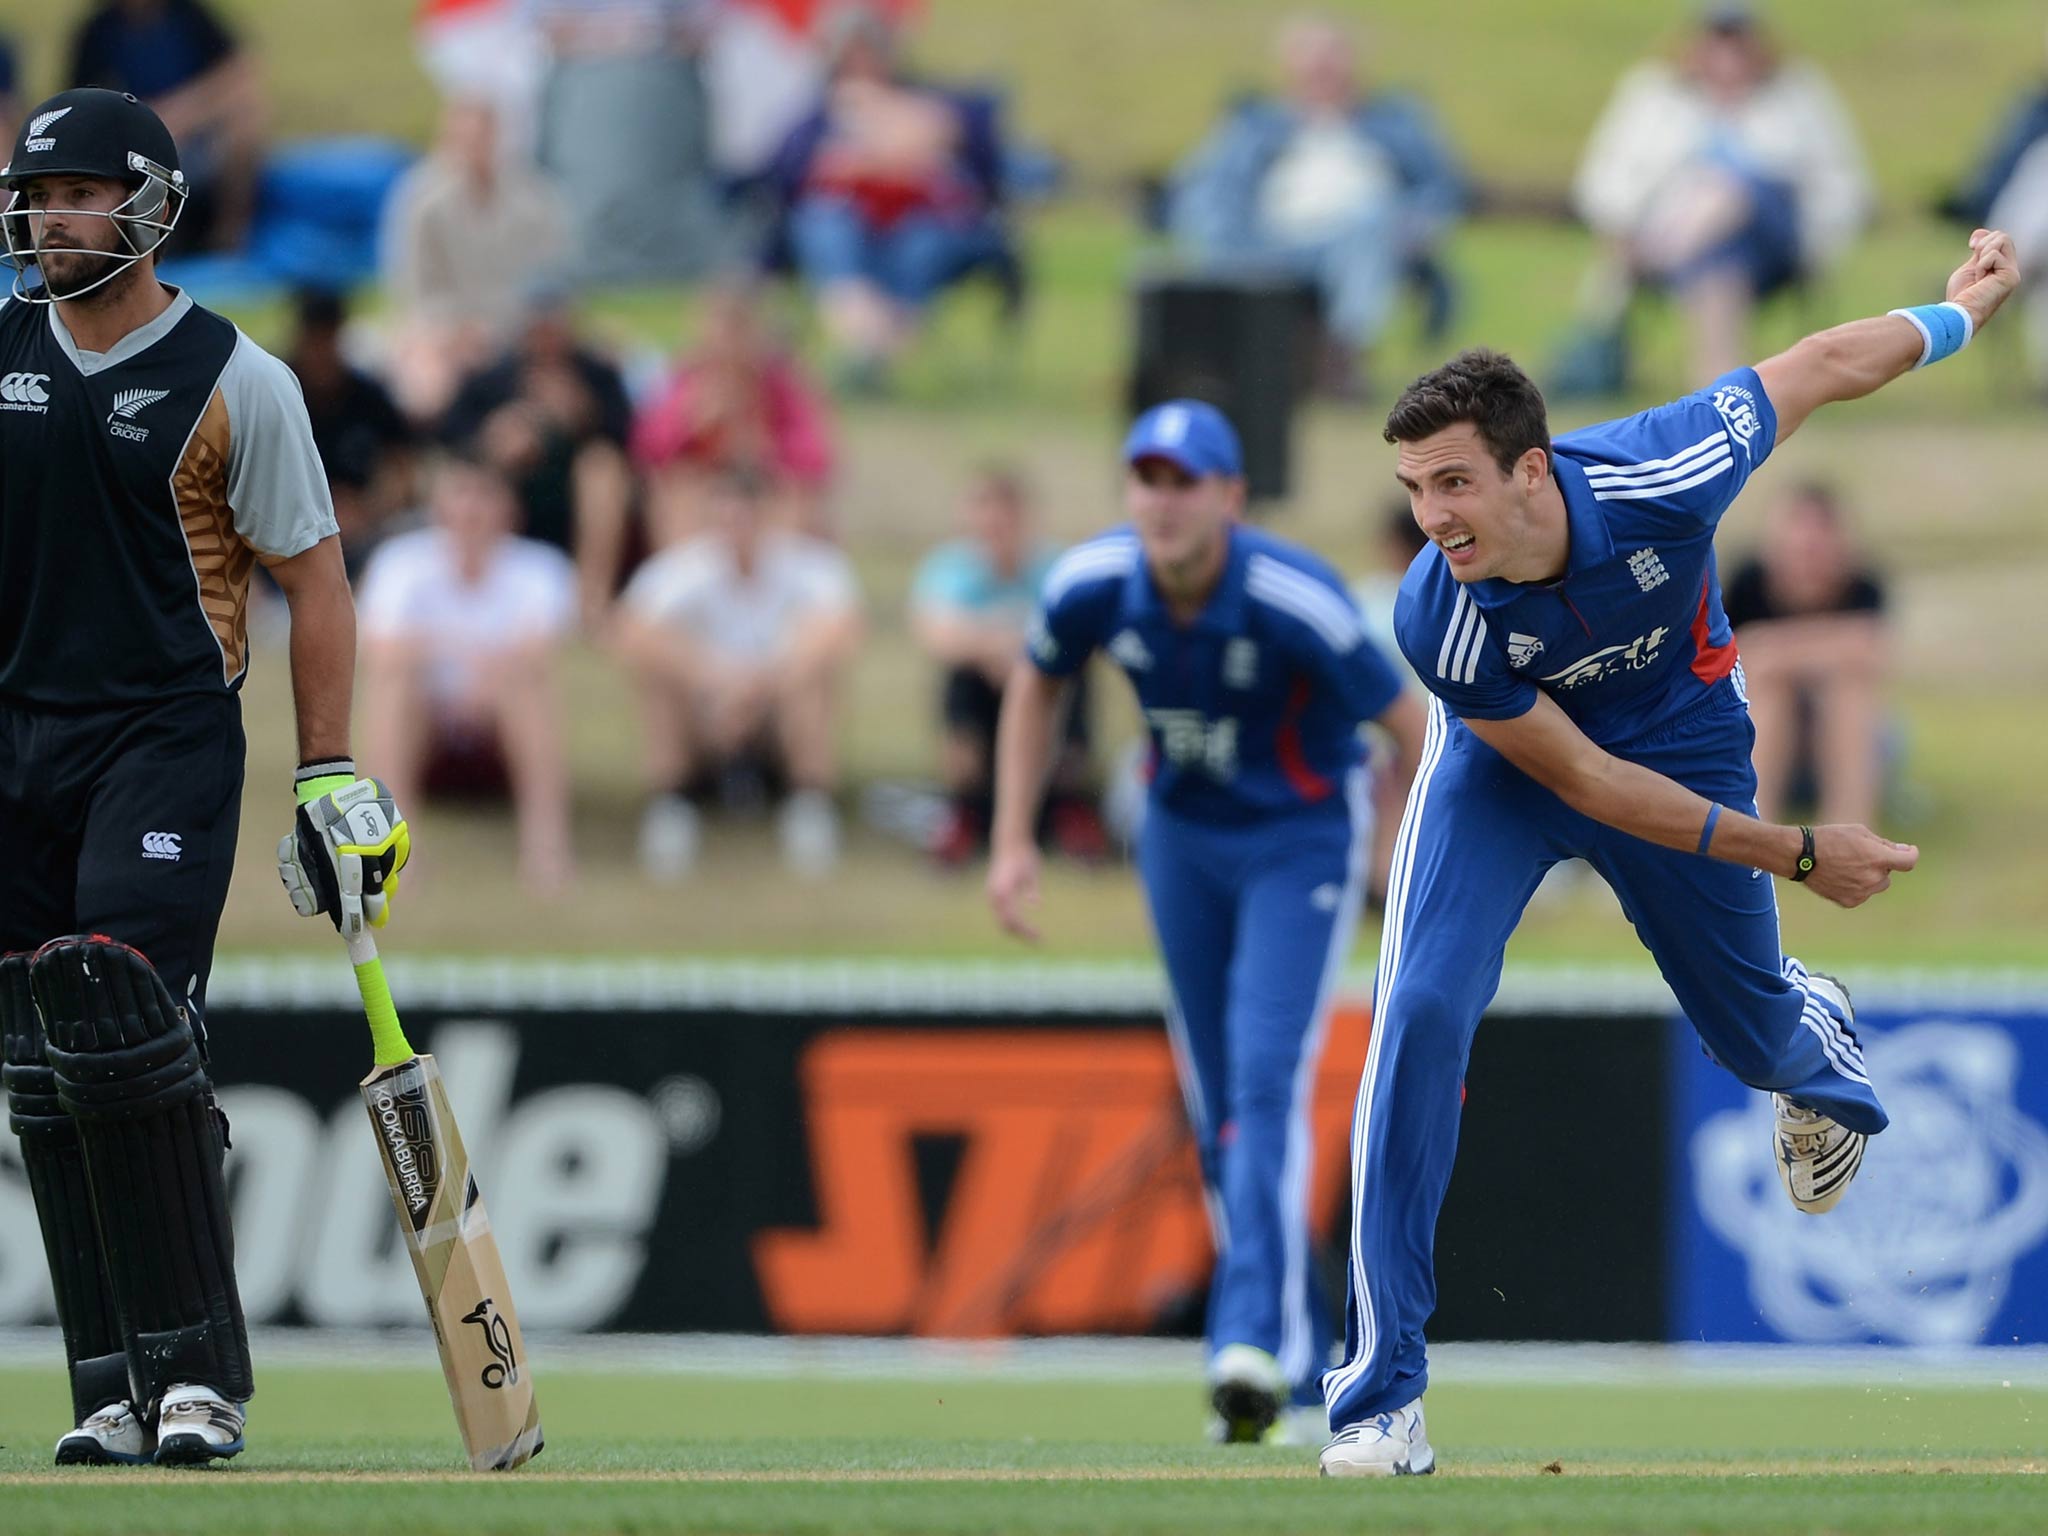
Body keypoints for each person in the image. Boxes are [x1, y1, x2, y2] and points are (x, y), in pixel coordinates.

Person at [1318, 228, 2020, 1478]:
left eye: (1452, 485)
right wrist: (1799, 854)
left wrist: (1954, 316)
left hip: (1686, 738)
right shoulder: (1436, 611)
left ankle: (1804, 1020)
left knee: (1754, 1039)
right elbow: (1584, 787)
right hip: (1511, 768)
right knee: (1415, 1013)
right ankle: (1379, 1400)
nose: (1429, 520)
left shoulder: (1665, 471)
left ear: (1530, 469)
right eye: (1413, 493)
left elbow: (1813, 364)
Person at [0, 88, 406, 1468]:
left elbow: (317, 581)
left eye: (80, 193)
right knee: (42, 1068)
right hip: (14, 741)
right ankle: (111, 1385)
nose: (51, 216)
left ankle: (199, 1379)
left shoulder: (238, 380)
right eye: (37, 194)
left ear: (151, 208)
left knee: (118, 1014)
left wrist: (330, 773)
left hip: (161, 736)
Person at [988, 401, 1427, 1445]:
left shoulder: (1292, 598)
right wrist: (1013, 839)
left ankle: (1245, 1344)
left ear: (1230, 497)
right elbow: (1034, 685)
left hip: (1298, 842)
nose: (1163, 500)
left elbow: (1410, 724)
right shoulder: (1092, 582)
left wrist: (1393, 855)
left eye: (1185, 481)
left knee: (1264, 1083)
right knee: (1215, 1097)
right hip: (1180, 841)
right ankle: (1299, 1361)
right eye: (1146, 479)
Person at [1565, 2, 1870, 388]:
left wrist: (1820, 243)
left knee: (1731, 190)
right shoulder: (1655, 95)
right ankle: (1722, 397)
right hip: (1696, 244)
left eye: (1738, 43)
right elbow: (1602, 181)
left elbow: (1843, 183)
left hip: (1775, 238)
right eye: (1716, 42)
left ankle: (1675, 242)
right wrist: (1626, 224)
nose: (1727, 56)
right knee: (1719, 261)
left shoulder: (1797, 94)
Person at [1167, 12, 1465, 395]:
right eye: (1312, 61)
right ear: (1290, 68)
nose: (1323, 72)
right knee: (1212, 232)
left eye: (1332, 60)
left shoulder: (1395, 122)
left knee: (1370, 221)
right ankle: (1212, 366)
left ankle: (1341, 360)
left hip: (1366, 240)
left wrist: (1417, 226)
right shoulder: (1255, 124)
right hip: (1268, 241)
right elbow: (1204, 187)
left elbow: (1441, 187)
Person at [612, 465, 863, 880]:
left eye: (747, 516)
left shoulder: (809, 565)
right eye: (726, 517)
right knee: (657, 670)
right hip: (707, 715)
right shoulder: (685, 568)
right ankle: (671, 802)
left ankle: (810, 801)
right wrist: (716, 676)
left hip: (779, 714)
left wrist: (762, 685)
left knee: (814, 669)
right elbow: (628, 631)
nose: (737, 528)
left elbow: (845, 629)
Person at [357, 452, 578, 896]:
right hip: (426, 727)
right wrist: (468, 659)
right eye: (461, 494)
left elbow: (537, 652)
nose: (472, 509)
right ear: (438, 505)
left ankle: (546, 848)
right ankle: (395, 850)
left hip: (500, 728)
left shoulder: (541, 568)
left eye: (485, 495)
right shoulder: (400, 562)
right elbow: (380, 648)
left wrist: (473, 672)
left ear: (509, 508)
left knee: (526, 688)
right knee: (392, 686)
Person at [771, 2, 1012, 389]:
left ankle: (870, 351)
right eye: (850, 54)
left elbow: (972, 157)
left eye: (867, 51)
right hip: (849, 230)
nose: (860, 62)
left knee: (921, 243)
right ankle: (870, 340)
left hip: (919, 224)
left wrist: (908, 139)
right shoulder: (818, 116)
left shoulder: (930, 103)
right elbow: (788, 174)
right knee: (826, 224)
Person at [909, 464, 1102, 866]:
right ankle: (964, 806)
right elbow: (936, 635)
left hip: (1046, 684)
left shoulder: (1055, 566)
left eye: (1004, 513)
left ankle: (1067, 803)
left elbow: (1086, 632)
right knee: (959, 677)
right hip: (982, 687)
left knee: (1072, 672)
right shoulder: (949, 568)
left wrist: (1019, 657)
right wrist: (1001, 648)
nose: (995, 525)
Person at [438, 287, 636, 626]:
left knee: (602, 468)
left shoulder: (596, 376)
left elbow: (626, 436)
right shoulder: (495, 377)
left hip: (575, 497)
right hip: (510, 487)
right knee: (468, 481)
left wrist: (582, 415)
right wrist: (496, 436)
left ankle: (591, 602)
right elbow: (448, 431)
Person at [380, 96, 567, 424]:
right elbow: (416, 290)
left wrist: (517, 330)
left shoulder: (532, 198)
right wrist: (458, 332)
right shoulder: (422, 200)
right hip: (443, 335)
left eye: (485, 136)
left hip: (521, 334)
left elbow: (552, 278)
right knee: (425, 386)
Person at [1720, 484, 1890, 827]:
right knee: (1771, 694)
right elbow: (1731, 662)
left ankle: (1849, 828)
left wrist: (1771, 648)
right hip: (1758, 739)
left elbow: (1871, 650)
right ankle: (1756, 827)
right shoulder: (1747, 585)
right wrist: (1826, 647)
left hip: (1841, 741)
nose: (1809, 551)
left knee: (1849, 691)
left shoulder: (1862, 587)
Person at [631, 281, 835, 545]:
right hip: (705, 493)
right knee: (680, 487)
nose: (728, 344)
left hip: (765, 487)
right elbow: (649, 450)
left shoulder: (781, 383)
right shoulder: (687, 378)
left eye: (739, 330)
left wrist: (761, 440)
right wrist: (692, 424)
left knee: (797, 495)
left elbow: (817, 458)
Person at [66, 0, 267, 251]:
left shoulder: (189, 17)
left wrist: (181, 114)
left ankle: (230, 238)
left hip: (195, 139)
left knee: (244, 118)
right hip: (134, 144)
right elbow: (80, 107)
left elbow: (237, 74)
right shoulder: (99, 32)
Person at [283, 288, 415, 573]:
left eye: (328, 339)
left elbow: (402, 467)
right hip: (285, 523)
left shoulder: (369, 397)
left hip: (363, 524)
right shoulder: (276, 393)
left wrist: (370, 509)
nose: (321, 352)